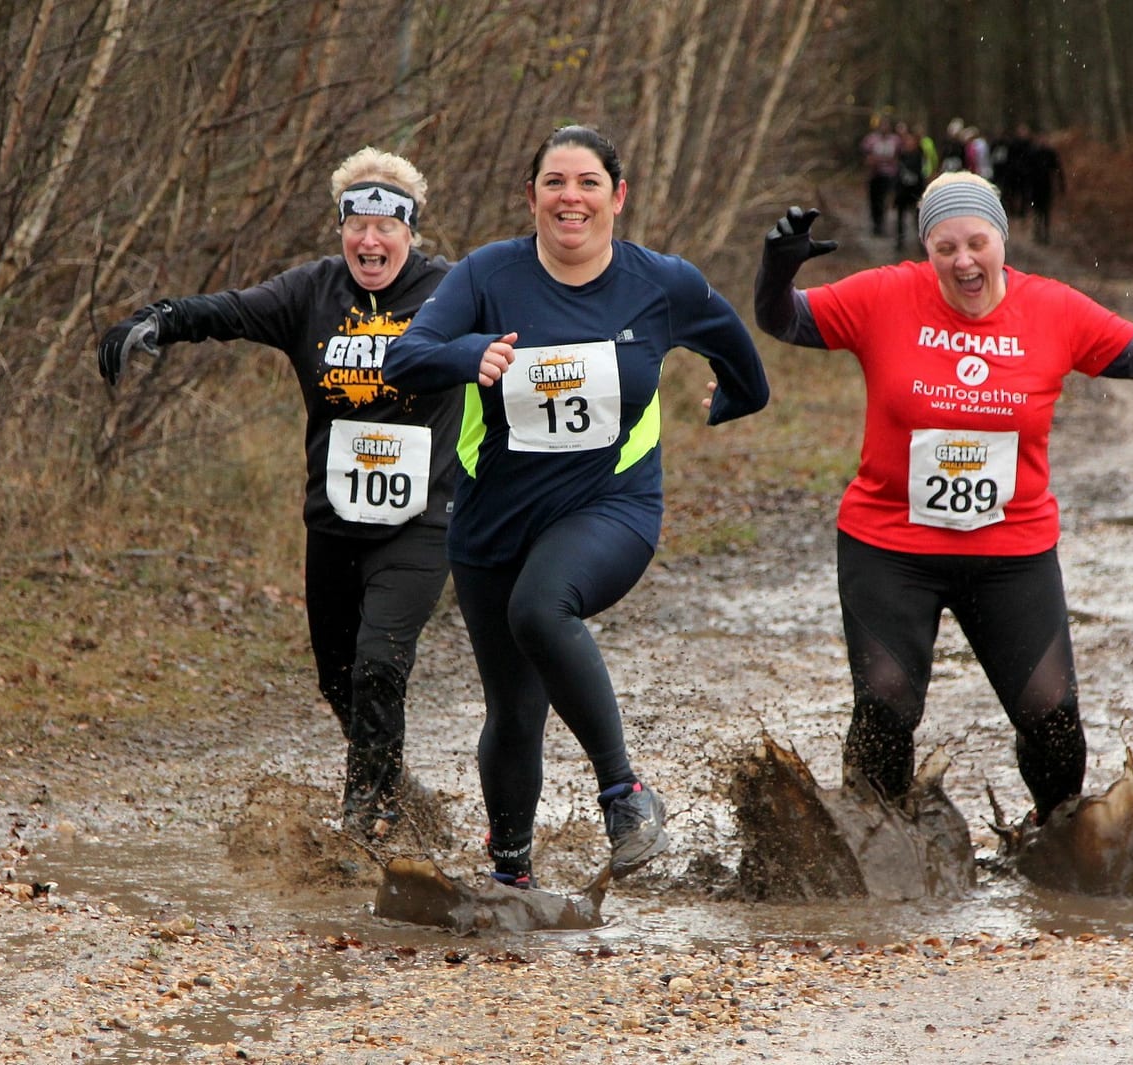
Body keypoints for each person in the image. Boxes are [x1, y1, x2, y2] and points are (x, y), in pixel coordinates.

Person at [753, 173, 1133, 826]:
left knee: (1054, 718)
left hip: (1011, 552)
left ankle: (1054, 839)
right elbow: (783, 318)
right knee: (887, 705)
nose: (963, 261)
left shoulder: (1054, 310)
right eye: (945, 247)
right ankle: (877, 845)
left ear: (1001, 241)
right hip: (890, 546)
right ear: (927, 249)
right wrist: (775, 269)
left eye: (976, 242)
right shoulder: (884, 296)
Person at [384, 125, 770, 887]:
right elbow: (404, 359)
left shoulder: (662, 284)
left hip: (611, 504)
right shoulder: (484, 276)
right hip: (494, 519)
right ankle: (511, 874)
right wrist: (472, 353)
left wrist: (727, 402)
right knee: (514, 709)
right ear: (530, 197)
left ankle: (624, 794)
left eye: (588, 182)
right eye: (554, 182)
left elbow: (746, 370)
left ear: (617, 197)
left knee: (541, 608)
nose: (571, 197)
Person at [96, 148, 459, 840]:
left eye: (389, 225)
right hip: (333, 521)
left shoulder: (451, 291)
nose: (371, 239)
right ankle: (397, 789)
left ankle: (368, 822)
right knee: (340, 679)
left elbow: (530, 318)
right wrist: (157, 318)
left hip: (421, 521)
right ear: (342, 227)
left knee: (382, 662)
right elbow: (230, 310)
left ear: (411, 230)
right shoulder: (312, 293)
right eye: (358, 222)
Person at [859, 115, 902, 236]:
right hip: (874, 173)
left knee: (884, 199)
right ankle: (875, 223)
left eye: (886, 125)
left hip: (889, 174)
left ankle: (882, 223)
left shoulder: (895, 140)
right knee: (874, 199)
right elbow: (865, 154)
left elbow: (900, 155)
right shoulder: (871, 139)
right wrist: (870, 161)